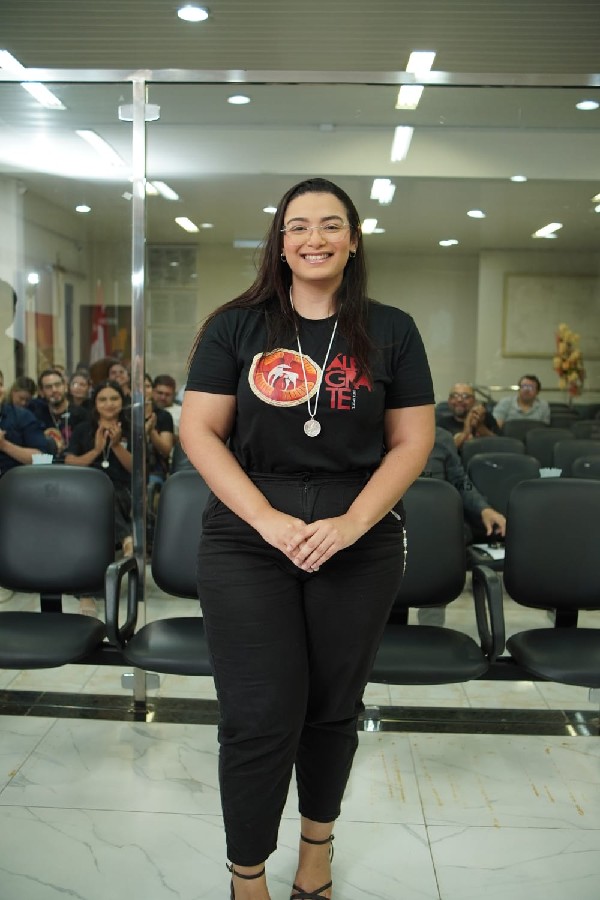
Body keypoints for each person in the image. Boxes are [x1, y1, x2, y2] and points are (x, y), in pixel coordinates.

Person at [180, 177, 435, 900]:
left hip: (358, 533)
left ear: (353, 241)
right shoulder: (236, 327)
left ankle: (316, 853)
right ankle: (247, 875)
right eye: (298, 226)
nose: (314, 238)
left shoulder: (392, 330)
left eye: (330, 225)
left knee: (331, 708)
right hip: (247, 533)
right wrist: (267, 519)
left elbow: (412, 442)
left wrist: (353, 524)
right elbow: (199, 431)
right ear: (280, 242)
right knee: (257, 715)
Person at [419, 426, 506, 626]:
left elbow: (459, 481)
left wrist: (484, 509)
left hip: (434, 527)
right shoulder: (374, 433)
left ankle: (431, 631)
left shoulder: (442, 437)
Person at [65, 380, 133, 615]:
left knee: (104, 496)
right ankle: (126, 539)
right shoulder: (84, 428)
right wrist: (96, 450)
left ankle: (86, 594)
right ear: (95, 403)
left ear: (122, 401)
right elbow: (70, 462)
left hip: (122, 493)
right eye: (103, 399)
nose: (109, 404)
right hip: (85, 494)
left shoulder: (131, 428)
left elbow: (137, 469)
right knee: (94, 501)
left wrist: (116, 445)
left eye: (114, 398)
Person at [0, 383, 56, 476]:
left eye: (0, 384)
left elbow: (42, 459)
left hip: (13, 480)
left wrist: (4, 445)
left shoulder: (23, 417)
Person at [34, 368, 89, 459]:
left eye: (57, 385)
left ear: (65, 387)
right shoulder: (37, 416)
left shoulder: (82, 415)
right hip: (47, 464)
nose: (54, 390)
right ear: (41, 392)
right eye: (48, 387)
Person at [436, 382, 499, 450]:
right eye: (454, 396)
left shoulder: (486, 418)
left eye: (465, 396)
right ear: (449, 400)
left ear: (474, 400)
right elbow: (443, 450)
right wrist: (466, 430)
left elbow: (501, 444)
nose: (459, 400)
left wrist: (479, 426)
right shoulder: (442, 423)